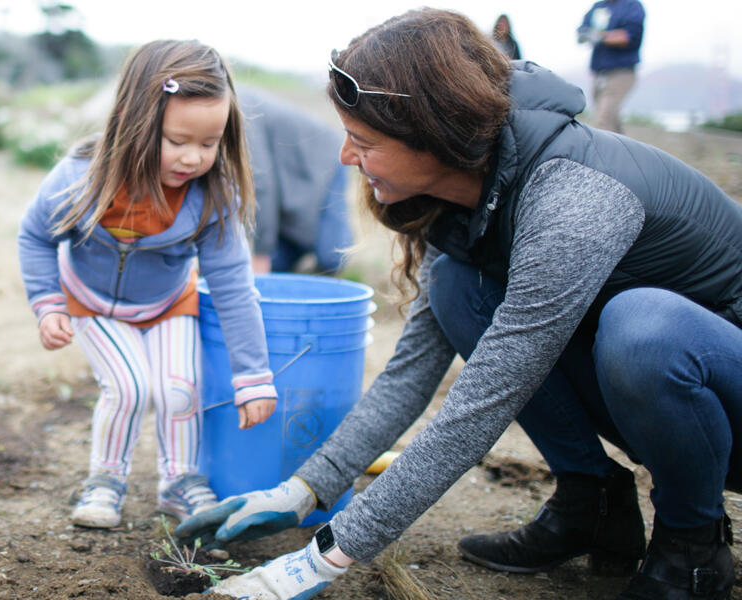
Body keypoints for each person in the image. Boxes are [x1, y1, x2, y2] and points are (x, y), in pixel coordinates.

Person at [177, 8, 742, 600]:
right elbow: (409, 374)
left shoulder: (574, 197)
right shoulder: (465, 209)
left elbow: (483, 403)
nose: (346, 156)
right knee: (457, 290)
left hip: (720, 403)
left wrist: (323, 559)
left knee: (643, 326)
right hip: (655, 392)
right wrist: (306, 489)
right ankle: (593, 504)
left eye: (363, 141)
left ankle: (691, 545)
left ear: (436, 137)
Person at [17, 39, 278, 530]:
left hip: (168, 301)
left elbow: (234, 287)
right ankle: (105, 480)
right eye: (177, 141)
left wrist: (253, 377)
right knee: (130, 387)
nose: (193, 158)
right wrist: (48, 304)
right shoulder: (81, 178)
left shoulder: (213, 196)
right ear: (135, 124)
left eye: (209, 143)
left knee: (181, 389)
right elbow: (34, 235)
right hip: (92, 302)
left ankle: (180, 482)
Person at [238, 86, 354, 276]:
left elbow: (260, 184)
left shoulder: (239, 111)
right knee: (277, 266)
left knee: (331, 257)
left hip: (325, 158)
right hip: (286, 179)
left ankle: (321, 286)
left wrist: (260, 253)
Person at [578, 0, 645, 133]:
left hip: (621, 72)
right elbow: (582, 31)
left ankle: (600, 153)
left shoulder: (632, 5)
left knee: (603, 120)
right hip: (599, 72)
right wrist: (586, 35)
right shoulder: (599, 6)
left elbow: (628, 36)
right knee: (612, 121)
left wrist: (600, 36)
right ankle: (625, 152)